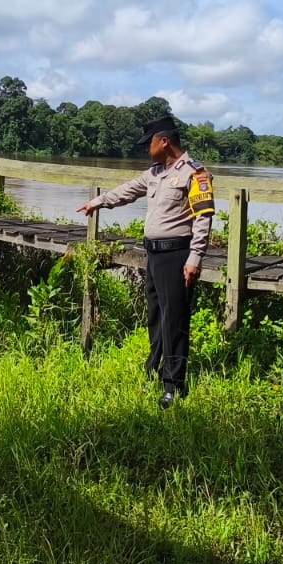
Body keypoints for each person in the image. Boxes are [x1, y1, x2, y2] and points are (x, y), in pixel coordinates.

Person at [78, 115, 214, 410]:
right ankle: (153, 369)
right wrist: (98, 202)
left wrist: (194, 257)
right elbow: (128, 190)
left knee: (175, 320)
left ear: (164, 142)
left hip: (177, 254)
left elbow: (203, 218)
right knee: (156, 316)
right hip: (153, 255)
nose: (145, 149)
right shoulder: (155, 173)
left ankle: (173, 385)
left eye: (148, 143)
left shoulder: (195, 174)